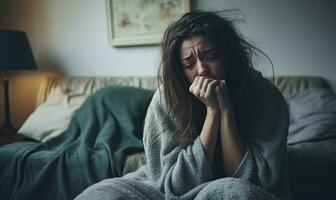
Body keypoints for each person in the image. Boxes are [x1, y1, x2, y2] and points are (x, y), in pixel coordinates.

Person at [76, 10, 291, 200]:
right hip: (166, 189)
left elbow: (252, 180)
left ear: (228, 55)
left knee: (234, 192)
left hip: (229, 185)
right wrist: (213, 112)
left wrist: (225, 110)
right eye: (189, 64)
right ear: (179, 69)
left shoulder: (265, 95)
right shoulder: (166, 98)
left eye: (210, 56)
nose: (201, 69)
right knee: (101, 192)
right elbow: (176, 186)